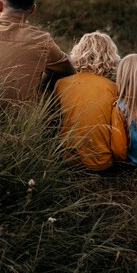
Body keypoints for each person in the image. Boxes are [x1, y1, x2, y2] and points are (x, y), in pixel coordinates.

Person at [54, 31, 120, 171]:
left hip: (66, 159)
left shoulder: (61, 84)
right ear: (110, 56)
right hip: (102, 163)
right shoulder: (114, 89)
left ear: (78, 53)